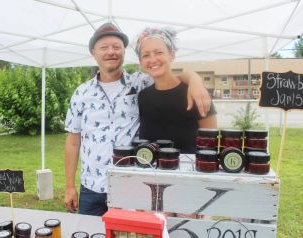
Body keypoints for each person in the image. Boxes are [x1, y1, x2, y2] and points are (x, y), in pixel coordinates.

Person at [64, 22, 211, 216]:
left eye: (116, 47)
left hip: (131, 185)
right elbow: (73, 142)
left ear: (124, 52)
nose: (111, 52)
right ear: (93, 53)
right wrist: (69, 187)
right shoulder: (81, 93)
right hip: (92, 187)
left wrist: (195, 80)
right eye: (104, 47)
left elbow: (171, 77)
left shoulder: (141, 82)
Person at [136, 27, 217, 153]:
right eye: (146, 55)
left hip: (190, 171)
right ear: (140, 62)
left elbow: (211, 146)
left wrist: (193, 78)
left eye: (159, 52)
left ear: (171, 55)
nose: (152, 60)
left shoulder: (196, 93)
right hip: (151, 171)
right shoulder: (143, 96)